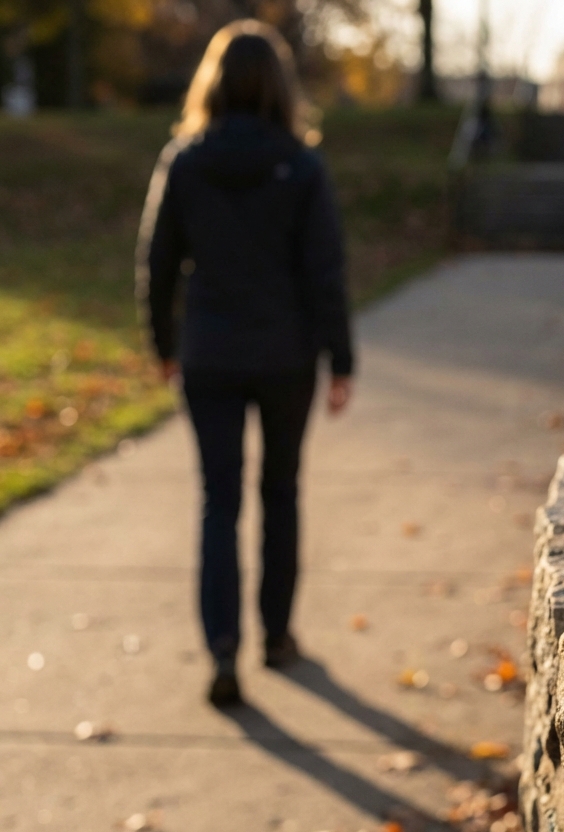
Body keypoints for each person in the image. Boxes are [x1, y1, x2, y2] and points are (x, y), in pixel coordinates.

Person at [136, 20, 353, 708]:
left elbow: (158, 263)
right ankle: (277, 636)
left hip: (209, 354)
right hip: (287, 355)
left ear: (214, 81)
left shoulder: (185, 159)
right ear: (281, 87)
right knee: (280, 493)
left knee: (217, 500)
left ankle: (223, 651)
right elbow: (325, 271)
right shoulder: (302, 165)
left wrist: (163, 347)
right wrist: (340, 359)